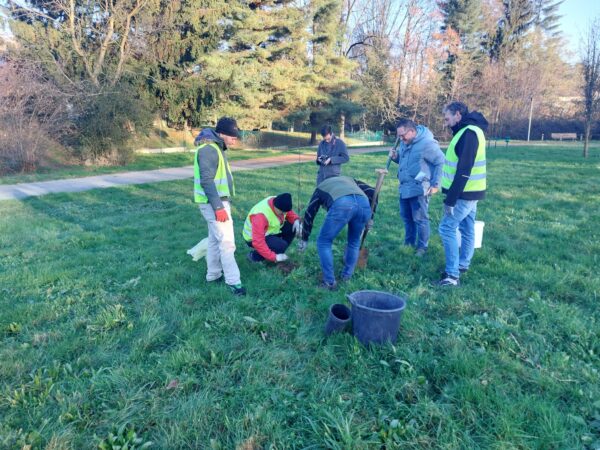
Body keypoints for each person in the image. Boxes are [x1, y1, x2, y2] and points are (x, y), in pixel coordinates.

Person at [193, 117, 246, 296]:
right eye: (232, 137)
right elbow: (206, 181)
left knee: (215, 241)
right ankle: (234, 282)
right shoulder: (209, 149)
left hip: (216, 201)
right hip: (214, 203)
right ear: (221, 133)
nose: (234, 140)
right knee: (227, 243)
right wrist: (218, 207)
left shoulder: (215, 146)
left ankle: (213, 275)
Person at [438, 101, 488, 287]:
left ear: (458, 114)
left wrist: (450, 200)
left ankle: (452, 276)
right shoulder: (468, 131)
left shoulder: (469, 133)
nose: (446, 123)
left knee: (446, 228)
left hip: (464, 194)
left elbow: (464, 170)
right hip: (470, 191)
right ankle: (462, 264)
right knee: (467, 228)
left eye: (447, 118)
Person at [298, 176, 375, 290]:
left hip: (343, 205)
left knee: (323, 242)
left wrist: (304, 238)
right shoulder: (350, 180)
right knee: (354, 242)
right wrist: (371, 217)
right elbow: (373, 191)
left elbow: (309, 213)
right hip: (364, 204)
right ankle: (346, 277)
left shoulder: (320, 188)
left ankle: (329, 282)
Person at [389, 118, 445, 257]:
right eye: (399, 136)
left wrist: (436, 184)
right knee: (407, 218)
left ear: (412, 131)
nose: (401, 139)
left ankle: (422, 247)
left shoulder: (427, 143)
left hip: (420, 187)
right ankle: (409, 244)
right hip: (404, 186)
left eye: (403, 135)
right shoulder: (404, 142)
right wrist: (396, 157)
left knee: (420, 219)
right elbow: (407, 161)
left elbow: (441, 161)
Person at [243, 193, 302, 263]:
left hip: (269, 231)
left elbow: (289, 212)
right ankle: (254, 256)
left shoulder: (278, 201)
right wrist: (274, 257)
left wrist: (295, 220)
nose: (284, 214)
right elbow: (258, 242)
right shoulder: (260, 216)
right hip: (252, 238)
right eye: (282, 212)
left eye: (285, 212)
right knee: (280, 246)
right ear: (275, 206)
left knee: (292, 227)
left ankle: (278, 250)